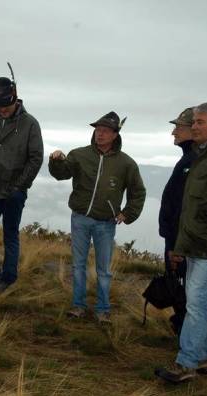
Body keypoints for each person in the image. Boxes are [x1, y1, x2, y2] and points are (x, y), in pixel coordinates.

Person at [155, 101, 207, 384]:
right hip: (195, 244)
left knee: (197, 302)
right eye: (193, 123)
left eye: (199, 122)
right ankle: (206, 358)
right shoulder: (201, 156)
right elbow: (188, 208)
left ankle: (186, 363)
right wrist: (180, 245)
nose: (194, 127)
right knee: (200, 303)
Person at [49, 111, 145, 323]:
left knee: (103, 270)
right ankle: (78, 306)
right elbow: (61, 174)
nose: (99, 134)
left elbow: (138, 192)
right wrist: (56, 160)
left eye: (105, 131)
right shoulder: (79, 154)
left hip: (106, 222)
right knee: (78, 265)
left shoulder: (126, 163)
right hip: (80, 218)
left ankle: (103, 310)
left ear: (114, 135)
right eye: (97, 130)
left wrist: (127, 213)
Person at [0, 76, 43, 292]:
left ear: (15, 99)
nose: (2, 109)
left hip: (14, 192)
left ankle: (8, 279)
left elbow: (36, 158)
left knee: (10, 234)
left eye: (6, 105)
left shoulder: (30, 123)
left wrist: (20, 186)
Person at [158, 107, 197, 335]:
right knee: (180, 287)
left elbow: (185, 208)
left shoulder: (194, 161)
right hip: (177, 238)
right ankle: (186, 333)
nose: (174, 132)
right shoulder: (187, 158)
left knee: (183, 288)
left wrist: (176, 245)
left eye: (179, 127)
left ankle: (187, 337)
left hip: (181, 242)